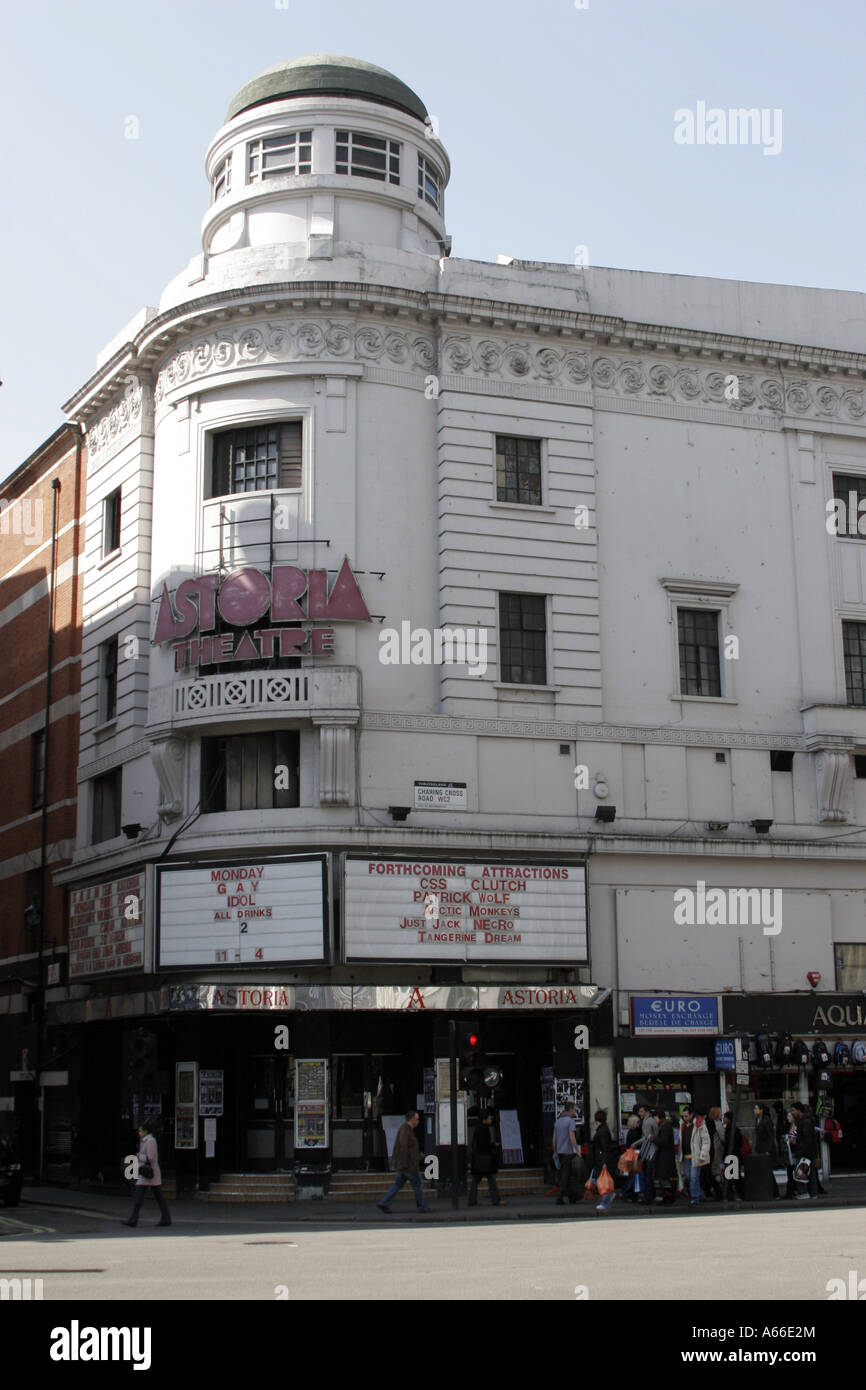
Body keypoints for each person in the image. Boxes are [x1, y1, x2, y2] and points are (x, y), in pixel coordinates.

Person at [378, 1110, 431, 1213]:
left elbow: (410, 1148)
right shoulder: (405, 1130)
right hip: (409, 1165)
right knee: (418, 1185)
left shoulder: (407, 1130)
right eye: (417, 1119)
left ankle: (384, 1203)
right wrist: (405, 1163)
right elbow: (404, 1148)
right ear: (412, 1119)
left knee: (397, 1185)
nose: (418, 1121)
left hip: (404, 1165)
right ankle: (421, 1206)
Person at [121, 1122, 171, 1228]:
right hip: (147, 1172)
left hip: (149, 1172)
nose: (139, 1133)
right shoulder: (145, 1141)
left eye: (140, 1131)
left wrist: (139, 1156)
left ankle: (133, 1219)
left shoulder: (151, 1141)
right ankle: (166, 1218)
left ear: (145, 1131)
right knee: (157, 1196)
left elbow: (151, 1158)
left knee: (140, 1196)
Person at [468, 1112, 506, 1207]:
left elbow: (475, 1144)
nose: (490, 1120)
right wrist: (493, 1145)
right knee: (491, 1180)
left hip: (478, 1159)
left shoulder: (478, 1128)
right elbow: (484, 1145)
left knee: (475, 1180)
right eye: (489, 1118)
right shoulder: (484, 1129)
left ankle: (472, 1200)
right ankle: (496, 1200)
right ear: (484, 1119)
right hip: (485, 1159)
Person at [790, 1102, 819, 1200]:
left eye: (793, 1110)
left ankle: (804, 1192)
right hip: (807, 1152)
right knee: (810, 1173)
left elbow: (807, 1139)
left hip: (804, 1152)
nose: (792, 1112)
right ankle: (813, 1193)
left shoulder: (804, 1122)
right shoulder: (804, 1121)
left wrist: (798, 1146)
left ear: (799, 1110)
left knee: (801, 1173)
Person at [553, 1101, 580, 1205]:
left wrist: (555, 1151)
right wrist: (577, 1150)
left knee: (566, 1176)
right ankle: (559, 1197)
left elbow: (554, 1138)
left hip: (559, 1152)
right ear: (570, 1109)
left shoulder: (558, 1121)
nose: (576, 1110)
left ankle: (573, 1197)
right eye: (574, 1108)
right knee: (565, 1176)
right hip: (568, 1152)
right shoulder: (570, 1121)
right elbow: (572, 1137)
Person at [590, 1108, 615, 1212]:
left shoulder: (602, 1131)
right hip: (600, 1159)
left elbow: (605, 1147)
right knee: (595, 1179)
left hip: (601, 1159)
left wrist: (604, 1161)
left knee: (600, 1181)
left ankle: (606, 1201)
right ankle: (609, 1196)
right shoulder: (603, 1129)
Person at [653, 1109, 677, 1204]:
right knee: (664, 1178)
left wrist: (654, 1139)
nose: (654, 1120)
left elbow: (663, 1141)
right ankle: (668, 1196)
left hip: (665, 1157)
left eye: (655, 1117)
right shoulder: (665, 1127)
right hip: (665, 1156)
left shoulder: (665, 1128)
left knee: (665, 1178)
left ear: (660, 1118)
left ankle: (668, 1197)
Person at [637, 1104, 658, 1205]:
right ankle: (651, 1194)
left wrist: (634, 1144)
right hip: (649, 1150)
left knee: (648, 1175)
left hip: (650, 1151)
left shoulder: (648, 1122)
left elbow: (646, 1138)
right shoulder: (648, 1121)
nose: (639, 1113)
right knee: (648, 1175)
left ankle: (648, 1197)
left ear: (646, 1112)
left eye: (641, 1111)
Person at [690, 1109, 711, 1205]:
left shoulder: (700, 1124)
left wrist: (703, 1154)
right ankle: (700, 1194)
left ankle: (695, 1197)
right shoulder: (686, 1125)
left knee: (694, 1176)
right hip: (690, 1154)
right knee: (692, 1176)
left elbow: (706, 1141)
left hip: (696, 1154)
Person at [722, 1110, 745, 1201]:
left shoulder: (732, 1130)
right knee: (733, 1176)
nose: (723, 1119)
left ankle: (735, 1194)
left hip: (732, 1155)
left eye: (725, 1118)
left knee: (733, 1176)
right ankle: (734, 1194)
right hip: (732, 1155)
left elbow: (735, 1143)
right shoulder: (731, 1129)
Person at [702, 1106, 723, 1200]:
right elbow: (722, 1137)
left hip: (710, 1149)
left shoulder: (707, 1123)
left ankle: (710, 1190)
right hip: (716, 1148)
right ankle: (717, 1190)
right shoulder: (717, 1123)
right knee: (715, 1170)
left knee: (710, 1171)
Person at [621, 1114, 643, 1203]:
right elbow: (635, 1145)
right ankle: (627, 1193)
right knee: (633, 1176)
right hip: (634, 1156)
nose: (639, 1124)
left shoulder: (630, 1132)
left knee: (631, 1176)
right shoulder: (635, 1132)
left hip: (630, 1155)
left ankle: (628, 1193)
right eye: (637, 1122)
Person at [680, 1107, 694, 1200]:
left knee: (693, 1177)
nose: (685, 1118)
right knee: (689, 1176)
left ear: (691, 1115)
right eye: (683, 1116)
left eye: (686, 1116)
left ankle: (695, 1195)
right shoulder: (683, 1126)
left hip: (693, 1155)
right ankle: (698, 1194)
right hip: (685, 1155)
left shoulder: (695, 1125)